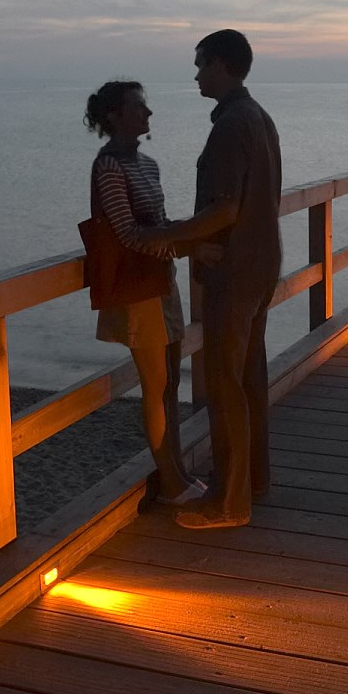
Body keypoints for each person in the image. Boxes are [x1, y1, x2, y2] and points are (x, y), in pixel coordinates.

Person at [142, 30, 282, 530]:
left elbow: (226, 207)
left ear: (223, 66)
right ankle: (253, 480)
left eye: (201, 64)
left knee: (224, 385)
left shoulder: (231, 126)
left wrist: (170, 236)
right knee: (249, 379)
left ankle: (229, 502)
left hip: (234, 269)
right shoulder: (259, 118)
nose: (196, 74)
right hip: (263, 264)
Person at [83, 81, 205, 505]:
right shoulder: (109, 166)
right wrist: (189, 244)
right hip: (138, 288)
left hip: (162, 279)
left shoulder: (147, 165)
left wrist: (180, 242)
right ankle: (171, 480)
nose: (148, 114)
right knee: (156, 384)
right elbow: (128, 234)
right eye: (138, 107)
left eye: (146, 106)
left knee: (170, 381)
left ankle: (179, 470)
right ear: (114, 115)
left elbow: (157, 223)